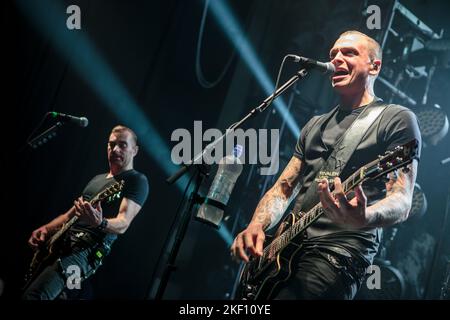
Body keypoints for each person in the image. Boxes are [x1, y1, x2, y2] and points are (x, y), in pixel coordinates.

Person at [230, 30, 422, 299]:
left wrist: (366, 217)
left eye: (349, 52)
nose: (337, 59)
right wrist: (256, 226)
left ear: (374, 66)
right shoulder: (315, 125)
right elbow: (283, 189)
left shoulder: (396, 119)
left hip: (338, 253)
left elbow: (401, 199)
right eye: (333, 54)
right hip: (284, 249)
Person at [23, 125, 149, 300]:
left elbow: (123, 223)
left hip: (83, 252)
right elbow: (69, 216)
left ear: (135, 150)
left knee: (35, 297)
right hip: (60, 243)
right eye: (112, 145)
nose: (116, 149)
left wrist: (101, 223)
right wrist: (45, 229)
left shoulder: (136, 180)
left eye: (123, 145)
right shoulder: (97, 179)